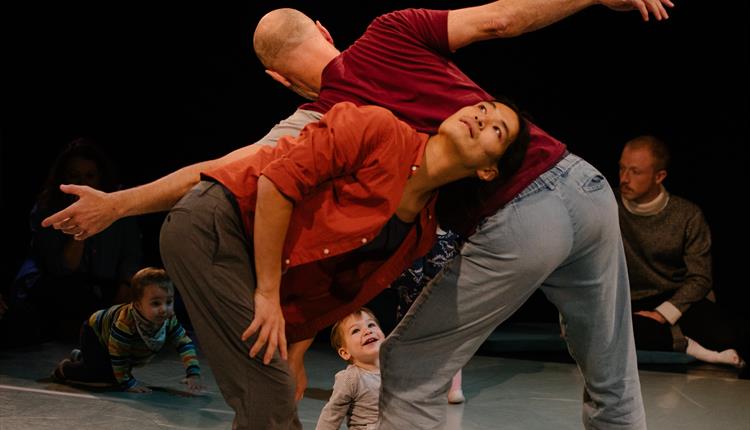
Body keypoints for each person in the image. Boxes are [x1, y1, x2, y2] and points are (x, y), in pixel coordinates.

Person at [40, 1, 674, 428]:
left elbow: (215, 170)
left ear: (276, 79)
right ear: (322, 26)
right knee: (613, 375)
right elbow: (499, 21)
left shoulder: (322, 116)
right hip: (585, 184)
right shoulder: (389, 33)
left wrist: (120, 205)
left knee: (409, 368)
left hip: (517, 212)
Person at [159, 99, 527, 428]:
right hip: (217, 225)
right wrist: (268, 294)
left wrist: (297, 350)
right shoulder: (382, 130)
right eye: (482, 108)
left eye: (497, 128)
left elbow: (331, 289)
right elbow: (276, 182)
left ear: (488, 171)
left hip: (250, 262)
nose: (481, 118)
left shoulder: (421, 232)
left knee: (273, 402)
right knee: (270, 393)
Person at [618, 135, 749, 371]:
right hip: (632, 300)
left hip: (678, 297)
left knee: (727, 335)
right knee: (603, 329)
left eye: (635, 172)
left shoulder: (687, 215)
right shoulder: (609, 206)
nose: (624, 179)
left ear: (659, 176)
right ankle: (686, 344)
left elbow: (700, 277)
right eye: (622, 169)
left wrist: (663, 314)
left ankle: (666, 335)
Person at [11, 138, 142, 341]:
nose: (83, 184)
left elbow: (131, 253)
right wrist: (79, 223)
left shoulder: (117, 204)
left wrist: (125, 288)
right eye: (75, 176)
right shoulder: (48, 207)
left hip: (104, 286)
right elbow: (62, 268)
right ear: (64, 178)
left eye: (90, 176)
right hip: (59, 285)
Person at [52, 267, 203, 393]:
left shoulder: (169, 319)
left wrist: (193, 373)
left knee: (112, 370)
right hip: (95, 333)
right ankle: (66, 368)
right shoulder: (125, 323)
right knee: (103, 376)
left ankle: (83, 357)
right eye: (156, 303)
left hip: (116, 344)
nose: (164, 309)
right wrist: (128, 383)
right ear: (137, 305)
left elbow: (184, 343)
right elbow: (119, 355)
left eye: (169, 302)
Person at [389, 227, 466, 404]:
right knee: (407, 338)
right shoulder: (417, 229)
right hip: (413, 295)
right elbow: (408, 274)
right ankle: (407, 385)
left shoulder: (455, 229)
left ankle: (454, 387)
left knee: (449, 340)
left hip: (444, 293)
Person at [315, 308, 384, 430]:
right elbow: (331, 415)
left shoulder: (397, 369)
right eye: (356, 330)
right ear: (345, 353)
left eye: (371, 325)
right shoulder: (351, 378)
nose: (367, 331)